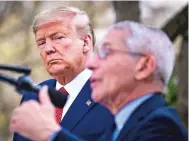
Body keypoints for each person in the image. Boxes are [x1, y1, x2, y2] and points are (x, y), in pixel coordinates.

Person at [10, 20, 188, 141]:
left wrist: (50, 133)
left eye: (107, 53)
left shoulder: (162, 127)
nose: (92, 63)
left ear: (144, 65)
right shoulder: (116, 128)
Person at [12, 6, 113, 141]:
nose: (48, 49)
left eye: (58, 38)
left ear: (85, 42)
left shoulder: (113, 93)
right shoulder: (33, 96)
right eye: (41, 42)